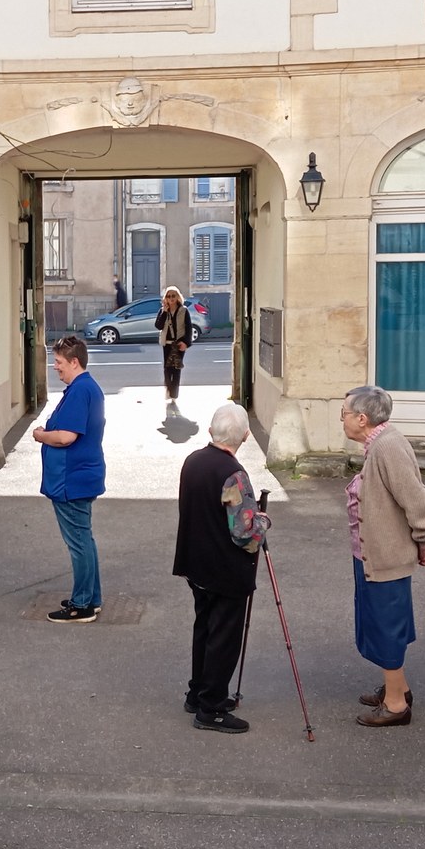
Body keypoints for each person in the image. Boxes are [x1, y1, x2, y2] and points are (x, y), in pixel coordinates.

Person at [341, 385, 425, 728]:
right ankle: (399, 689)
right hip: (373, 555)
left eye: (344, 414)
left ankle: (396, 706)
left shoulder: (387, 447)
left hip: (386, 557)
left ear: (361, 418)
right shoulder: (379, 444)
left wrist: (423, 541)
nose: (342, 420)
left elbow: (416, 500)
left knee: (387, 627)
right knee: (382, 624)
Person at [173, 403, 271, 734]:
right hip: (225, 569)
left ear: (210, 431)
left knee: (204, 628)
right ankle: (211, 707)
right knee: (224, 637)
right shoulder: (234, 474)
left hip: (195, 563)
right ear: (246, 436)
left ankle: (198, 693)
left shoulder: (193, 461)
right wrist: (263, 521)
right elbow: (244, 532)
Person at [32, 336, 105, 623]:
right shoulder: (86, 388)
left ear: (75, 362)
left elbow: (65, 437)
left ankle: (82, 604)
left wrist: (41, 435)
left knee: (79, 543)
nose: (55, 366)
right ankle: (91, 598)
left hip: (71, 480)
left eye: (59, 361)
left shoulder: (79, 391)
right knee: (84, 539)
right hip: (80, 476)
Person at [155, 285, 193, 404]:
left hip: (179, 343)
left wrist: (186, 343)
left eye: (173, 296)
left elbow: (189, 328)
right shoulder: (163, 311)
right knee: (167, 369)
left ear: (178, 297)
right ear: (165, 298)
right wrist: (165, 312)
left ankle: (174, 395)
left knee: (176, 369)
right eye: (168, 296)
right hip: (167, 344)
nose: (171, 298)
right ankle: (169, 389)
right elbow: (158, 326)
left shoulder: (183, 311)